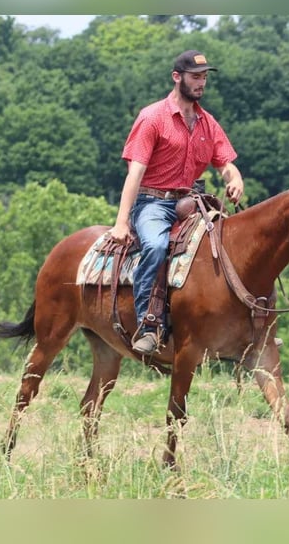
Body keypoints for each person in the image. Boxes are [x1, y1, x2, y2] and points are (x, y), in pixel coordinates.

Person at [107, 49, 244, 355]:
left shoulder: (208, 123)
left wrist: (234, 179)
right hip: (152, 202)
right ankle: (148, 324)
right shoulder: (152, 118)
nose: (201, 84)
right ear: (177, 77)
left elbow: (225, 164)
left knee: (233, 242)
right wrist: (121, 221)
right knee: (155, 247)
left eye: (205, 78)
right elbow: (135, 173)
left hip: (190, 202)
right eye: (196, 77)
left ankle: (244, 326)